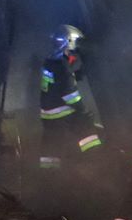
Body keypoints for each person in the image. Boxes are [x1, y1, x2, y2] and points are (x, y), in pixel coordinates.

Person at [39, 24, 102, 170]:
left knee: (51, 147)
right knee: (87, 129)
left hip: (49, 114)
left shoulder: (50, 61)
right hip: (63, 113)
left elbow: (59, 82)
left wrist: (76, 74)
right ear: (69, 41)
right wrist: (83, 110)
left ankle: (48, 177)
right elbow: (69, 94)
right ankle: (96, 163)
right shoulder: (61, 65)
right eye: (76, 43)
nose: (76, 49)